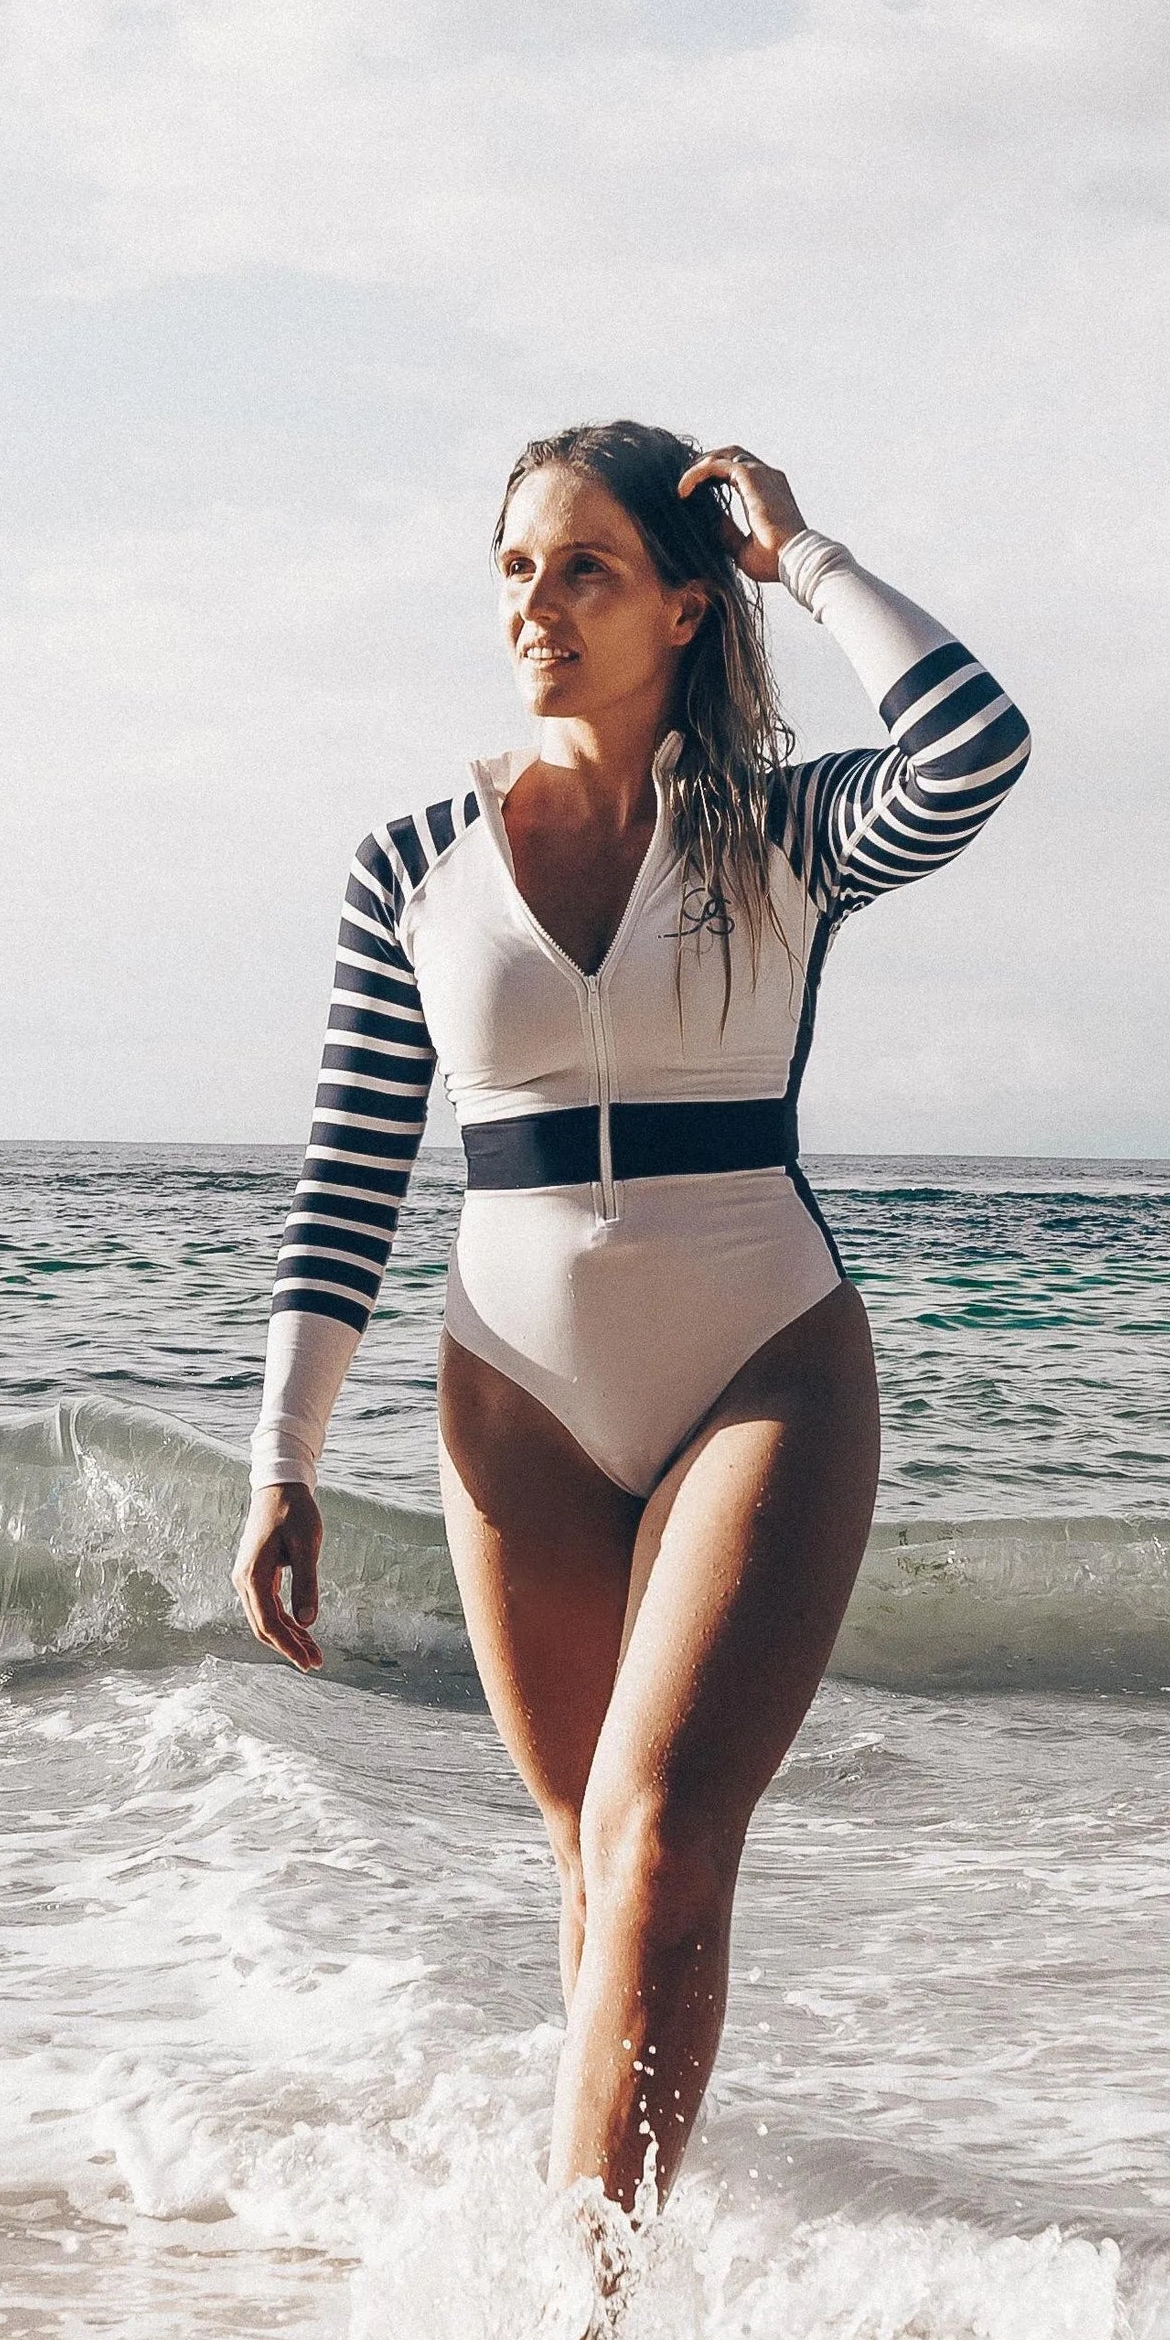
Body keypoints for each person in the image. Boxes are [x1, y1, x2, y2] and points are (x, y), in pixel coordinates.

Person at [233, 423, 1029, 2240]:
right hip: (510, 1392)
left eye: (586, 567)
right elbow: (349, 1177)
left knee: (664, 1847)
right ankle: (600, 2260)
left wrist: (804, 558)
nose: (539, 604)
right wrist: (283, 1457)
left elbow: (977, 745)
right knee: (591, 1865)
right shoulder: (412, 864)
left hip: (762, 1360)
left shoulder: (785, 826)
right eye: (517, 568)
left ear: (682, 602)